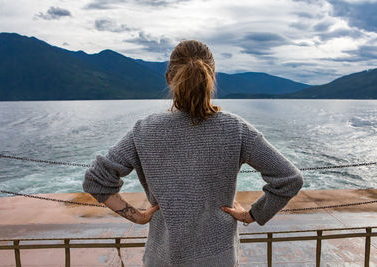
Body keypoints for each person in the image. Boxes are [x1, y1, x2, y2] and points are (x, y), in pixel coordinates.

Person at [82, 40, 304, 267]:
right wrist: (252, 215)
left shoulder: (145, 129)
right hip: (218, 259)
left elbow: (96, 180)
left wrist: (138, 217)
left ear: (169, 79)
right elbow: (289, 179)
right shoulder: (235, 129)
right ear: (213, 76)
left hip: (161, 259)